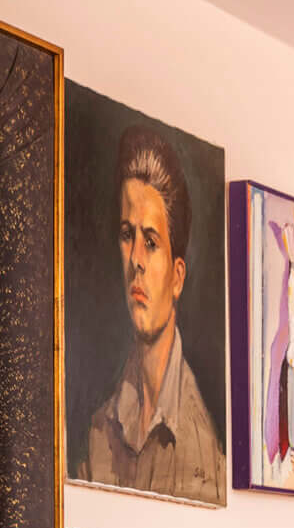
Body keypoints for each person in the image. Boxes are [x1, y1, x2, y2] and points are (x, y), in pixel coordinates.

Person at [80, 124, 224, 501]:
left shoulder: (204, 447)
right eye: (127, 236)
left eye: (150, 241)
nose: (136, 261)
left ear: (177, 277)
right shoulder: (98, 434)